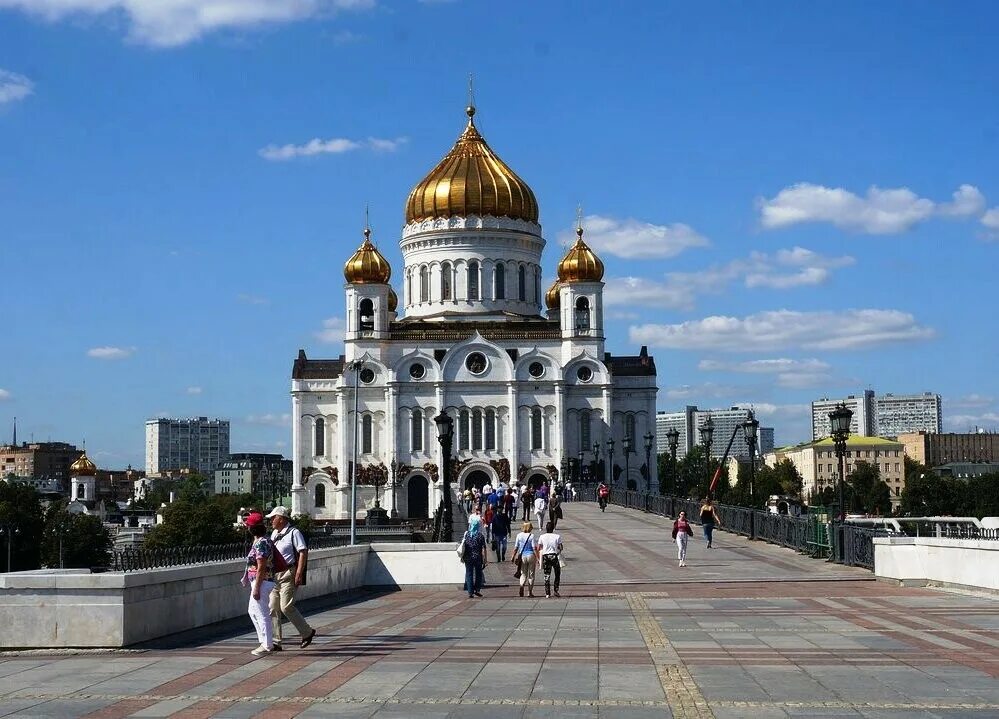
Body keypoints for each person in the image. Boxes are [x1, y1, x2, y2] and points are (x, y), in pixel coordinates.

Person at [267, 506, 317, 651]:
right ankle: (276, 641)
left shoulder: (294, 533)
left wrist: (299, 572)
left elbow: (303, 552)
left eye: (273, 518)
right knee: (272, 607)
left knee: (286, 607)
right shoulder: (274, 533)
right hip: (274, 575)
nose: (271, 521)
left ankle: (307, 632)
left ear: (281, 519)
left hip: (288, 572)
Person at [242, 515, 276, 656]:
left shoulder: (261, 543)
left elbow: (261, 566)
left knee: (261, 613)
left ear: (252, 528)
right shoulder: (263, 540)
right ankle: (264, 641)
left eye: (248, 526)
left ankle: (267, 644)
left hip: (261, 582)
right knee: (253, 611)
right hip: (260, 581)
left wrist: (256, 587)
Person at [460, 515, 488, 598]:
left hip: (468, 557)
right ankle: (477, 589)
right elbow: (484, 548)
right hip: (478, 558)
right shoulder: (480, 535)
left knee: (469, 574)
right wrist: (485, 559)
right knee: (478, 574)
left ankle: (470, 592)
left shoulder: (467, 534)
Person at [538, 521, 563, 598]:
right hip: (554, 556)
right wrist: (558, 549)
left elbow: (538, 547)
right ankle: (556, 590)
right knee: (557, 573)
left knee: (547, 574)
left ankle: (547, 593)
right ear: (552, 528)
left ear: (546, 528)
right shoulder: (557, 536)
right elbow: (561, 547)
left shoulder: (542, 536)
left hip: (546, 556)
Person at [512, 521, 537, 597]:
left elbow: (516, 547)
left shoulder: (519, 535)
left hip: (522, 556)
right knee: (531, 574)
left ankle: (522, 585)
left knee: (523, 573)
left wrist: (513, 556)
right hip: (531, 555)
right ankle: (530, 592)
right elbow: (534, 548)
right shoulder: (531, 536)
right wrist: (538, 558)